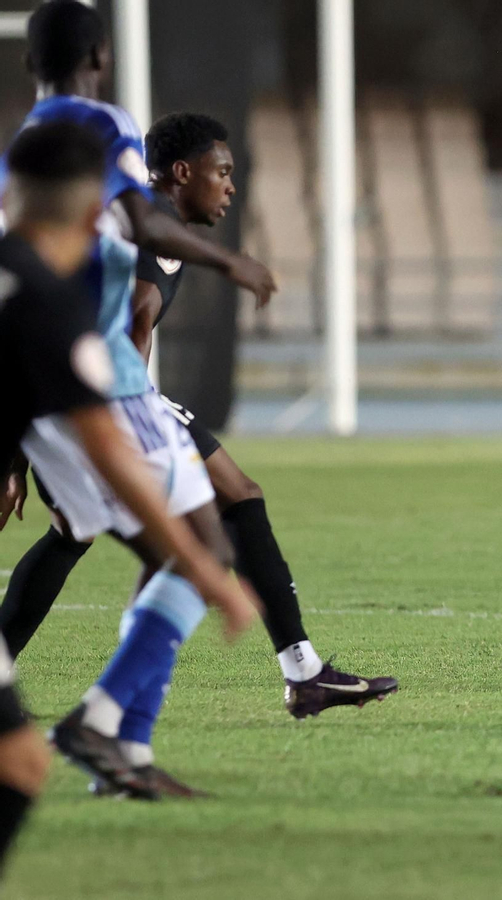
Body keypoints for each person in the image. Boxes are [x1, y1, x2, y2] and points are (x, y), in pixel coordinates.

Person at [0, 110, 398, 719]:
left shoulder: (148, 232)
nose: (231, 187)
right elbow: (133, 321)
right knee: (221, 518)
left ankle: (131, 717)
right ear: (181, 173)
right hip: (103, 399)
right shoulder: (146, 229)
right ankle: (131, 718)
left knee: (80, 534)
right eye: (223, 173)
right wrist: (132, 413)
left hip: (69, 398)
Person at [0, 0, 275, 799]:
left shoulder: (20, 147)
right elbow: (140, 222)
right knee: (200, 552)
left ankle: (131, 754)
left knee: (161, 555)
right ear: (101, 52)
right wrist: (230, 265)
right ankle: (103, 720)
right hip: (99, 373)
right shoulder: (99, 125)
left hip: (49, 384)